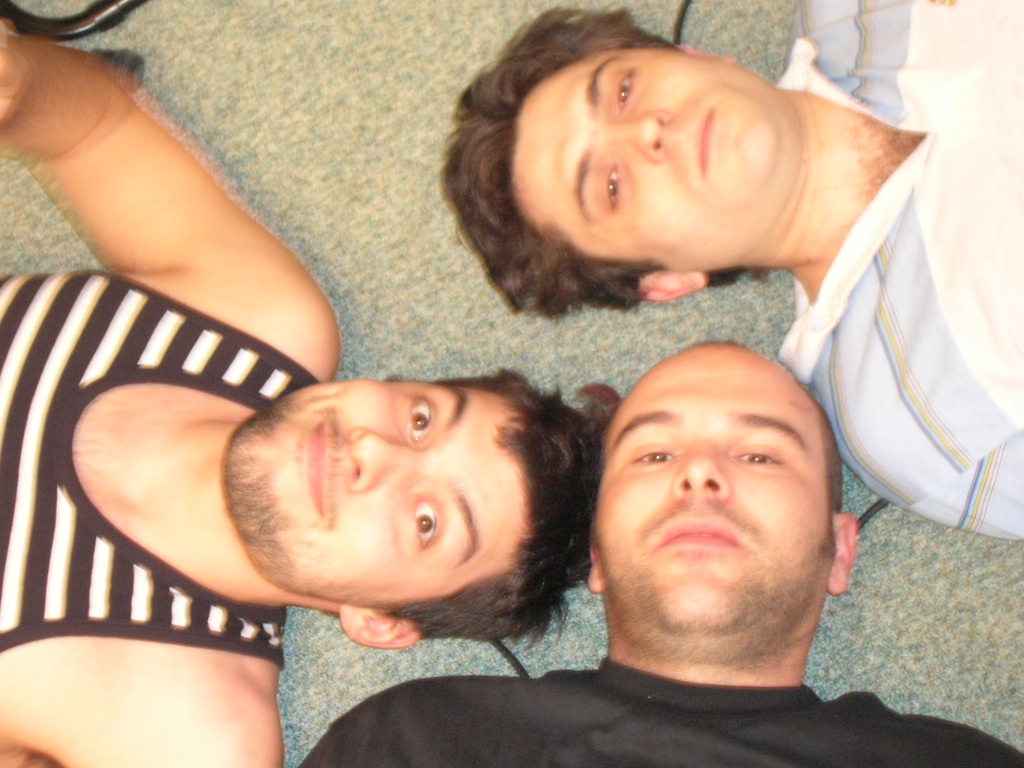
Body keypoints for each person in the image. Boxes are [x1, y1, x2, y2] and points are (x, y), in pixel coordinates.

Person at [0, 26, 608, 768]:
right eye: (420, 419)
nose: (375, 452)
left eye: (426, 521)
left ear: (379, 620)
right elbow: (97, 127)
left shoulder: (188, 733)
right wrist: (19, 81)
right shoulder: (256, 324)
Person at [444, 1, 1024, 539]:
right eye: (611, 186)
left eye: (622, 91)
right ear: (667, 280)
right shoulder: (908, 413)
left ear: (692, 55)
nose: (646, 130)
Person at [300, 343, 1024, 768]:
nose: (700, 473)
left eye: (759, 454)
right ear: (597, 555)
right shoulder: (417, 742)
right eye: (653, 454)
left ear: (840, 551)